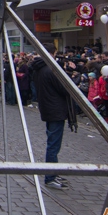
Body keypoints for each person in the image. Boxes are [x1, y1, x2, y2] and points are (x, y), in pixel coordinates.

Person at [29, 43, 73, 189]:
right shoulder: (51, 70)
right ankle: (50, 177)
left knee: (52, 141)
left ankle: (53, 171)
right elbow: (65, 88)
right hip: (55, 109)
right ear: (52, 53)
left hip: (47, 107)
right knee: (53, 144)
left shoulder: (39, 68)